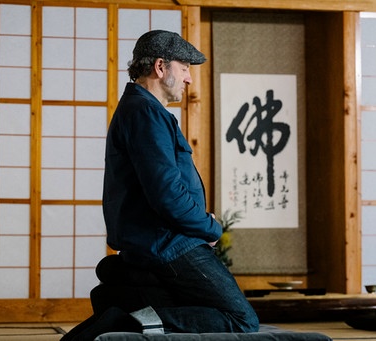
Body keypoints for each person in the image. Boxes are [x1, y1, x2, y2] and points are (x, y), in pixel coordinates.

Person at [62, 30, 259, 340]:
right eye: (184, 68)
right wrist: (209, 228)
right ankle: (123, 323)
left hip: (164, 239)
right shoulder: (145, 113)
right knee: (241, 319)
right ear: (160, 67)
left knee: (193, 309)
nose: (189, 79)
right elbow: (166, 194)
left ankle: (130, 310)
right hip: (169, 244)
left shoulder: (144, 111)